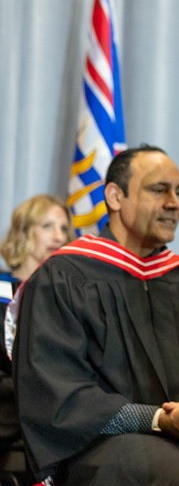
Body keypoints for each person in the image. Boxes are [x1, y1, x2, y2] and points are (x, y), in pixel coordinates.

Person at [14, 146, 179, 486]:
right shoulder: (65, 276)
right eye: (158, 190)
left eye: (178, 192)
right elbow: (59, 398)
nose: (174, 203)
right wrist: (157, 419)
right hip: (100, 447)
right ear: (115, 197)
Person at [0, 195, 74, 472]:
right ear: (23, 232)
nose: (59, 236)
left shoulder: (70, 296)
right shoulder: (2, 289)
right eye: (47, 226)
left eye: (64, 228)